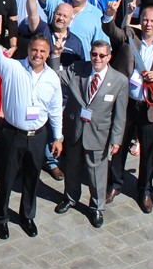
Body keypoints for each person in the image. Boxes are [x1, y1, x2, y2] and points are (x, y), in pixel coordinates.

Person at [103, 4, 153, 213]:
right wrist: (109, 15)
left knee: (148, 151)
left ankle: (145, 190)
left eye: (152, 21)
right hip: (126, 103)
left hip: (150, 107)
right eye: (145, 20)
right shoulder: (130, 36)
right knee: (118, 146)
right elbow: (111, 30)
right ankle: (115, 183)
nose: (148, 24)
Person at [0, 34, 63, 239]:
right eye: (34, 50)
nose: (37, 54)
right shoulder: (12, 67)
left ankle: (27, 216)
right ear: (28, 49)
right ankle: (0, 217)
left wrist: (58, 137)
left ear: (48, 54)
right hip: (13, 133)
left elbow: (55, 109)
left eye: (42, 51)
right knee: (6, 177)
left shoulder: (52, 78)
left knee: (32, 177)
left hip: (38, 135)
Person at [55, 40, 129, 229]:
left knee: (97, 173)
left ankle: (97, 207)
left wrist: (116, 139)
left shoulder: (119, 81)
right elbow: (56, 77)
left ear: (109, 57)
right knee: (71, 168)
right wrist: (55, 56)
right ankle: (71, 198)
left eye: (101, 55)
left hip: (99, 133)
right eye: (94, 54)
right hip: (75, 129)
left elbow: (120, 114)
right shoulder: (78, 69)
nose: (97, 58)